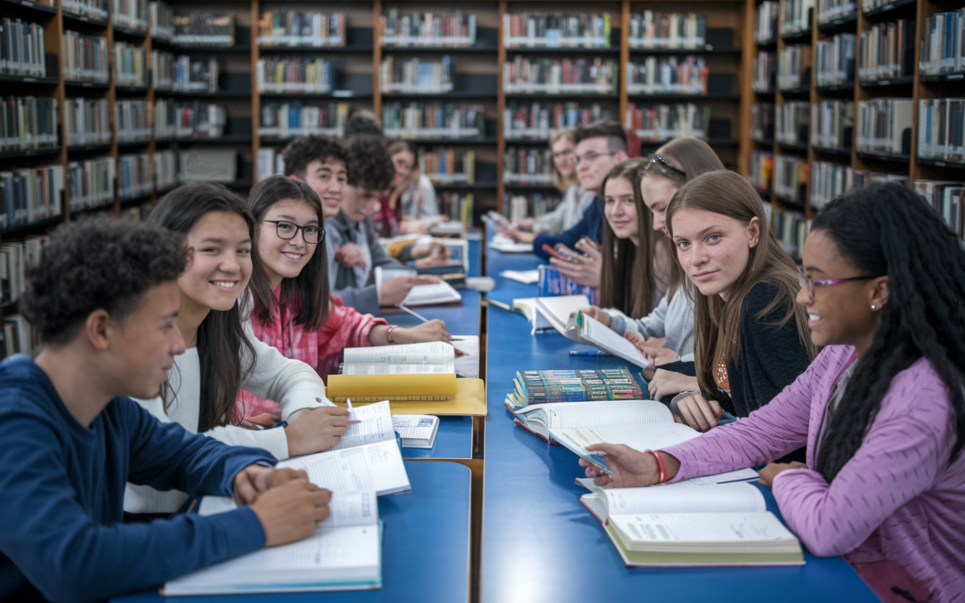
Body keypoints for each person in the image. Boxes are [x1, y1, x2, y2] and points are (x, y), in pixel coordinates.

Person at [581, 182, 965, 603]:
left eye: (818, 282)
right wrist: (657, 465)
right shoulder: (841, 355)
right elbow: (760, 431)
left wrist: (792, 478)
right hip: (855, 574)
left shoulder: (926, 400)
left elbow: (829, 527)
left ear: (879, 290)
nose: (802, 296)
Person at [0, 218, 331, 603]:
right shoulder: (14, 421)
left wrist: (244, 472)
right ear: (101, 331)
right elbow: (75, 563)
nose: (178, 344)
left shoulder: (108, 407)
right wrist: (256, 524)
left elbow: (184, 454)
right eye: (165, 325)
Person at [124, 183, 351, 516]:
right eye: (212, 250)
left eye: (243, 250)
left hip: (204, 501)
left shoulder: (220, 324)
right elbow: (169, 452)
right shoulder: (134, 344)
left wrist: (305, 414)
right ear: (166, 252)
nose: (232, 265)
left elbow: (290, 372)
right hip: (144, 524)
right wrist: (289, 440)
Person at [643, 170, 816, 435]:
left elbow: (785, 431)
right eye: (684, 243)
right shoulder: (722, 294)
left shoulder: (766, 299)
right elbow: (736, 389)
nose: (696, 258)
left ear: (753, 232)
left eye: (713, 238)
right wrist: (686, 395)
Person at [245, 175, 451, 391]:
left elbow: (346, 324)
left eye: (310, 230)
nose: (299, 242)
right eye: (285, 226)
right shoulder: (236, 304)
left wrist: (402, 335)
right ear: (252, 226)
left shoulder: (295, 293)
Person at [581, 138, 725, 365]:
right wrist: (609, 322)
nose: (656, 224)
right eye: (651, 211)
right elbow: (655, 325)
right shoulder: (687, 266)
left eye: (662, 209)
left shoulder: (723, 270)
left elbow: (737, 366)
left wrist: (679, 364)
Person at [323, 135, 440, 315]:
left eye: (377, 197)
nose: (372, 207)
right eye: (366, 195)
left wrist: (415, 279)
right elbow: (316, 305)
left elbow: (378, 258)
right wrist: (376, 295)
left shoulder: (359, 219)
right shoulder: (322, 227)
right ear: (341, 183)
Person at [531, 120, 630, 287]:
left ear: (619, 158)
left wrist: (608, 279)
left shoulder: (644, 207)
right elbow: (568, 241)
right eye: (577, 160)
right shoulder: (598, 202)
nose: (580, 167)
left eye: (591, 157)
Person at [579, 159, 672, 325]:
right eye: (610, 201)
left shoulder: (663, 252)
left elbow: (662, 331)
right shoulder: (625, 247)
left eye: (628, 200)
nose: (616, 212)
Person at [505, 128, 589, 239]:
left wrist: (529, 237)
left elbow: (573, 236)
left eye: (566, 152)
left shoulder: (589, 191)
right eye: (556, 155)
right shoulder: (573, 190)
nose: (561, 159)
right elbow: (557, 219)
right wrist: (531, 223)